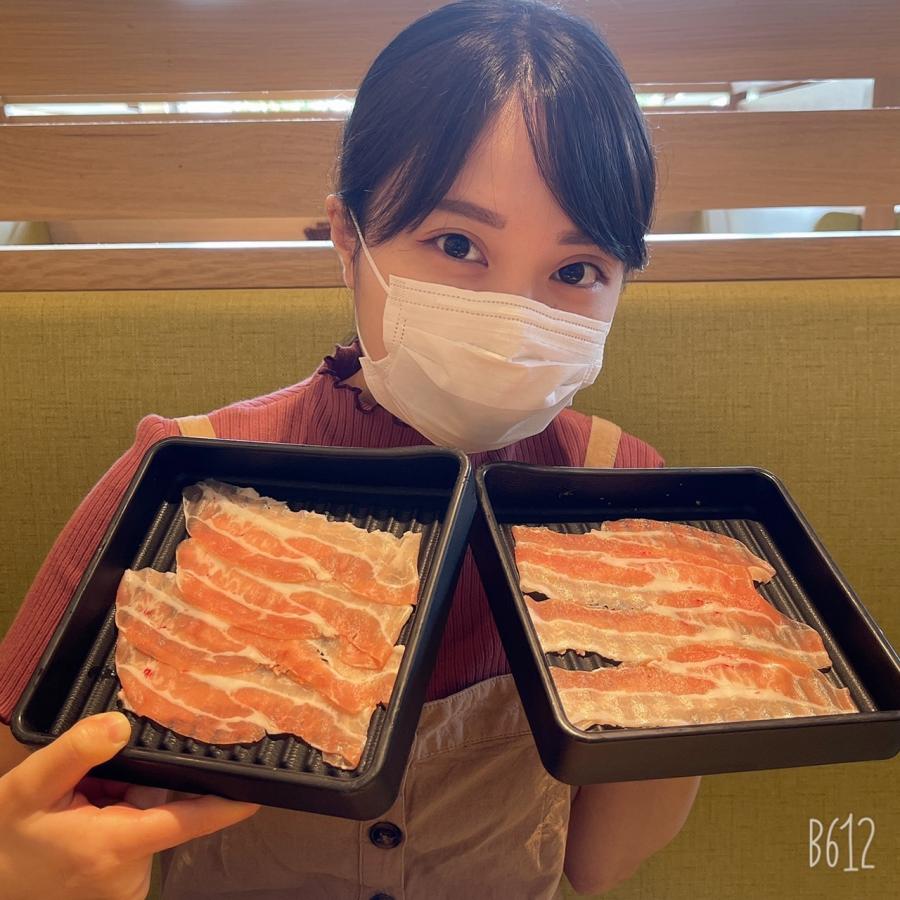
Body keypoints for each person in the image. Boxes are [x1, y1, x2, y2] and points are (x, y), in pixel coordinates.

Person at [0, 2, 701, 897]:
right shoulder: (181, 481)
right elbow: (24, 803)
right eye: (457, 244)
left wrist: (684, 684)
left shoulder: (626, 502)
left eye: (576, 270)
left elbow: (595, 864)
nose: (513, 318)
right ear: (347, 236)